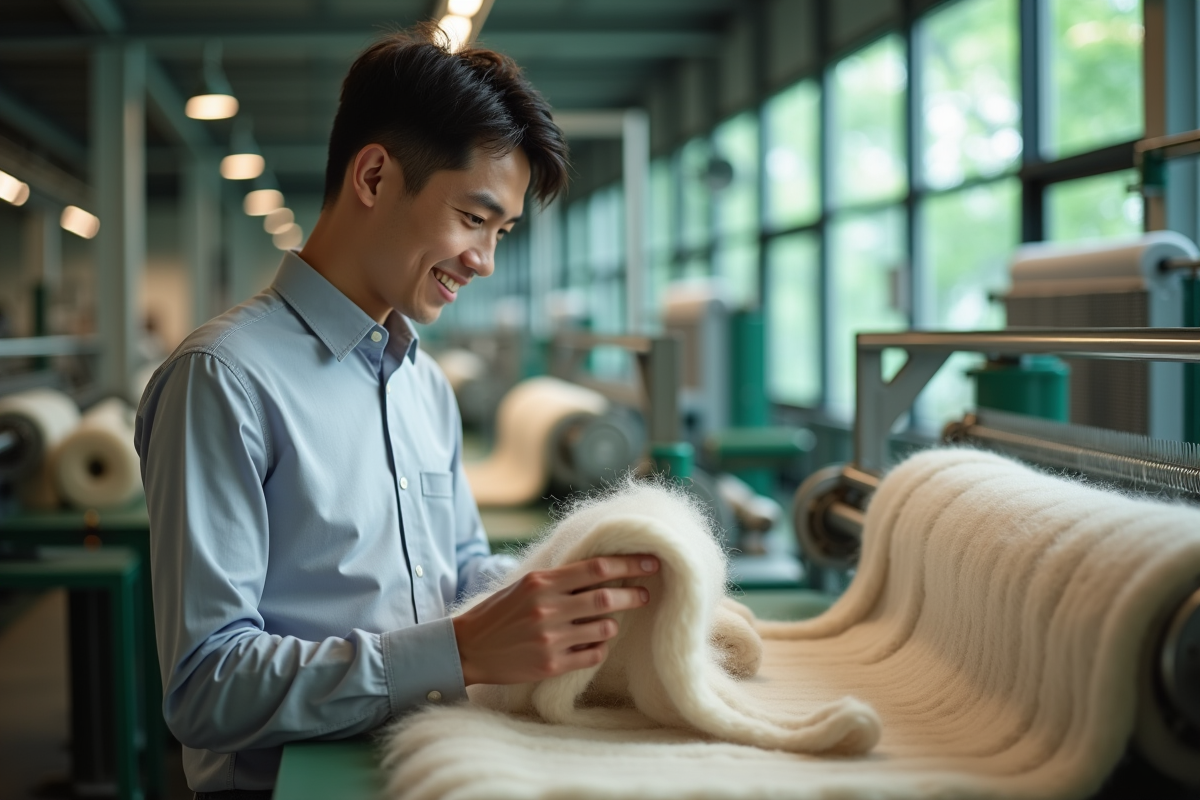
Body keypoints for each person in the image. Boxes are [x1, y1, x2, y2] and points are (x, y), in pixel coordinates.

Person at [135, 26, 660, 799]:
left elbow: (459, 570)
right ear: (375, 176)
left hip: (428, 760)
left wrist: (571, 595)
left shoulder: (423, 382)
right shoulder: (223, 380)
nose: (485, 260)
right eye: (473, 219)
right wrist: (458, 651)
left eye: (501, 232)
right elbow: (207, 686)